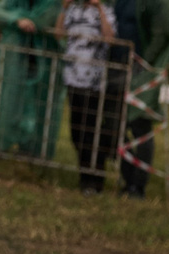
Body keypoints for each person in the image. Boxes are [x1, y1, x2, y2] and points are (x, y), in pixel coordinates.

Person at [0, 0, 64, 157]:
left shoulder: (52, 4)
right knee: (7, 104)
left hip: (42, 65)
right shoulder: (15, 2)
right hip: (14, 63)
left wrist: (20, 19)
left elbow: (45, 20)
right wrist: (17, 19)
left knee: (38, 109)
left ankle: (33, 152)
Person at [58, 0, 124, 188]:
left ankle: (95, 178)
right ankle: (84, 173)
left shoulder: (107, 12)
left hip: (94, 82)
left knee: (91, 131)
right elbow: (58, 34)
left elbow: (110, 39)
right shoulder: (73, 10)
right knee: (76, 131)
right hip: (72, 78)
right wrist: (63, 8)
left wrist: (99, 9)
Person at [115, 0, 169, 196]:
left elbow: (162, 34)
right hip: (115, 68)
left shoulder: (157, 3)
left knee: (140, 126)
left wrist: (144, 64)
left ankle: (138, 185)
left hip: (139, 72)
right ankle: (128, 178)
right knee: (114, 127)